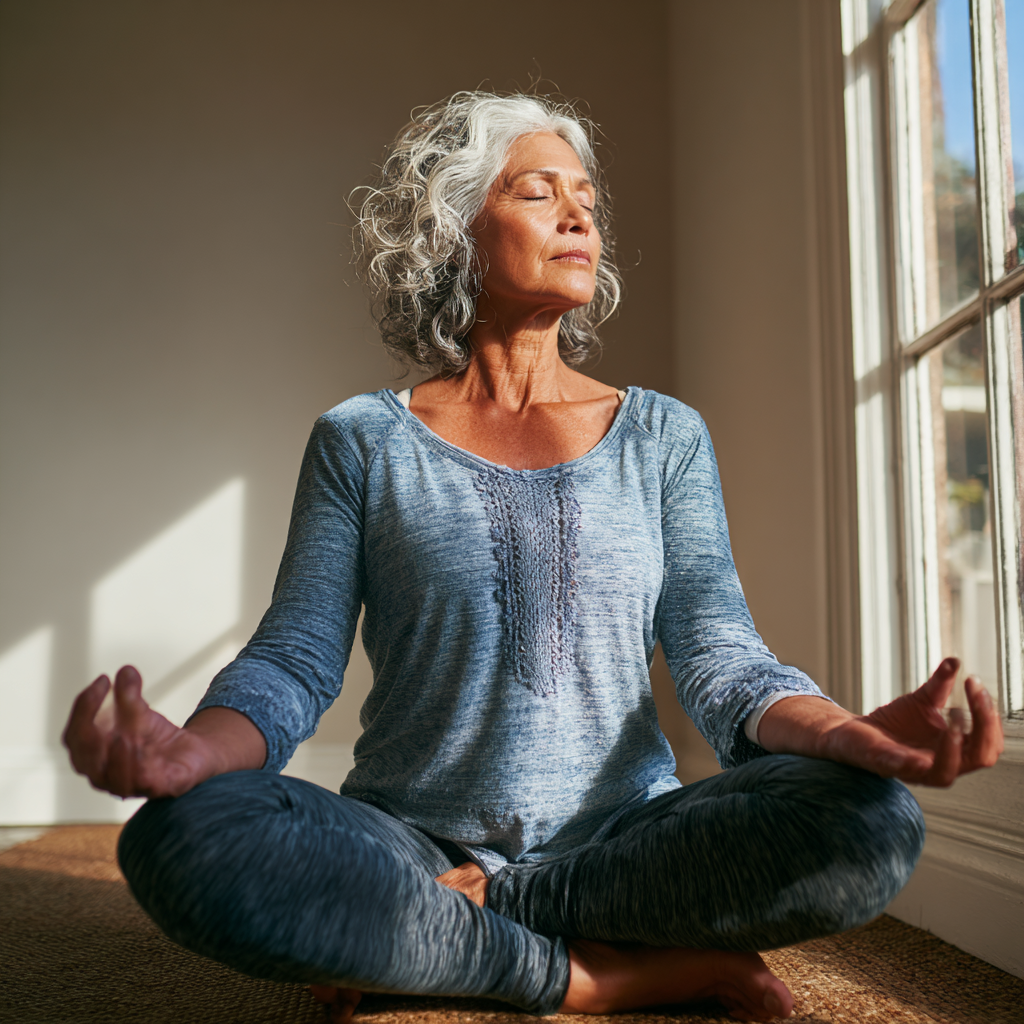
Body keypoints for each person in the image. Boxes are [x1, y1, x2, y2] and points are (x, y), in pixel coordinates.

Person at [63, 92, 1003, 1023]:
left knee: (873, 823)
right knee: (183, 840)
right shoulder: (361, 440)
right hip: (410, 838)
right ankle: (613, 978)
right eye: (537, 191)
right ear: (454, 229)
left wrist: (846, 735)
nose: (579, 213)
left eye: (586, 197)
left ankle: (465, 935)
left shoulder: (663, 436)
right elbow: (295, 656)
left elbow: (721, 656)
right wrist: (190, 754)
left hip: (624, 842)